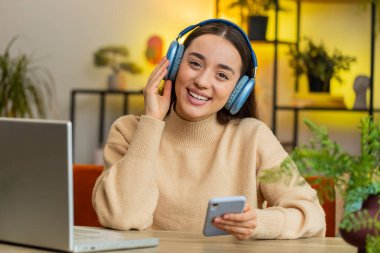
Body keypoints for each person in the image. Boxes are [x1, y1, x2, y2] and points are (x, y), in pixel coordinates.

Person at [92, 19, 326, 240]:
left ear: (238, 90)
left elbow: (314, 217)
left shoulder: (252, 137)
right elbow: (122, 217)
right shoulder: (128, 130)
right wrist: (152, 121)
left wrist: (260, 223)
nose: (202, 81)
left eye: (222, 75)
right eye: (195, 64)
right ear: (173, 66)